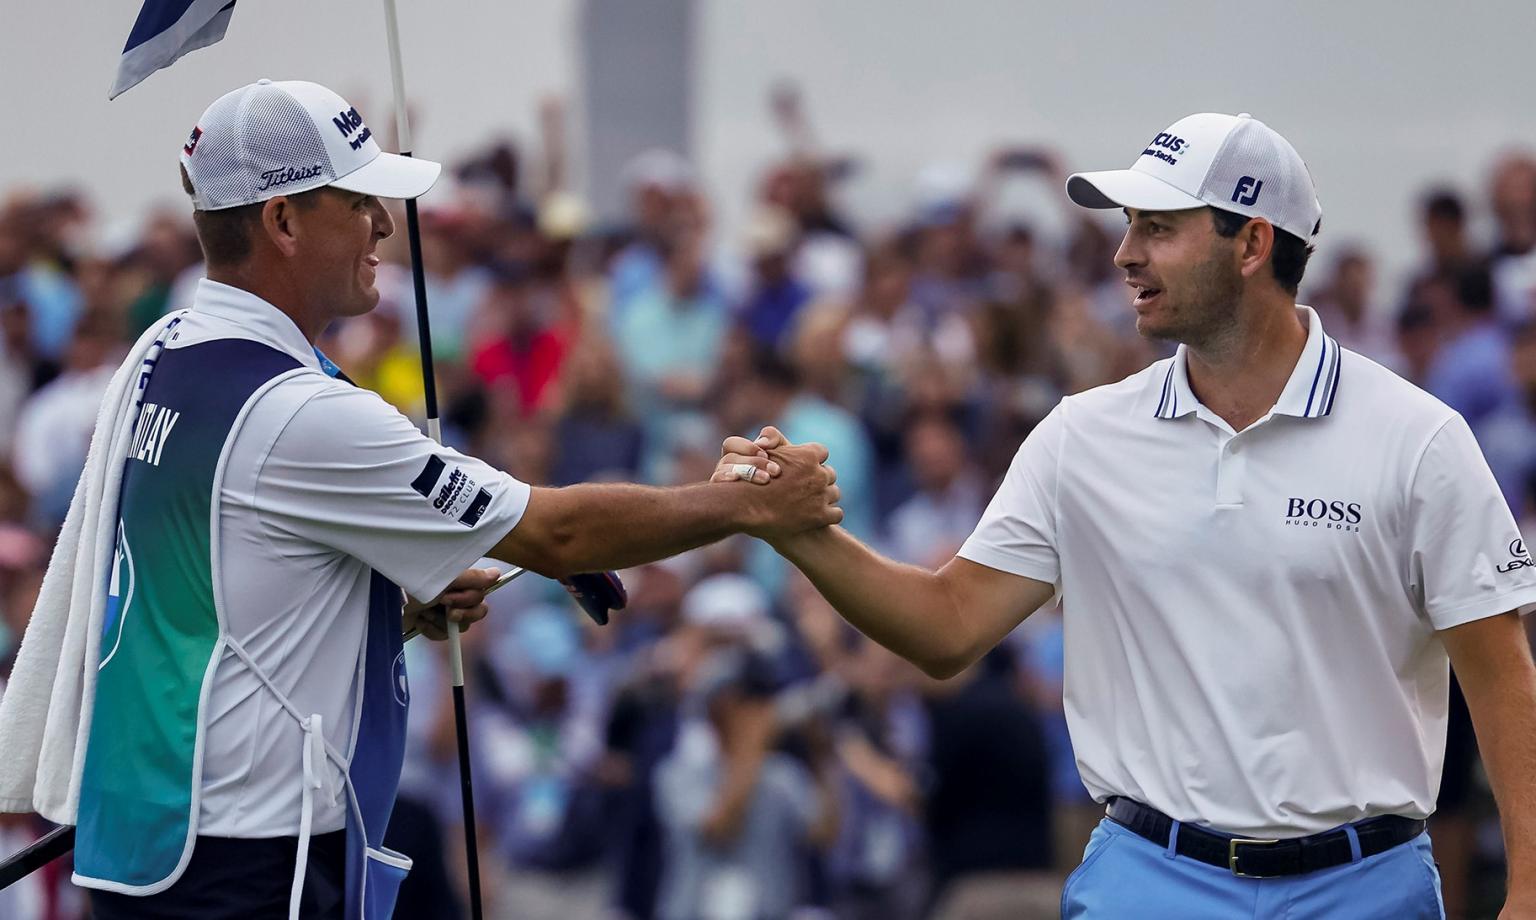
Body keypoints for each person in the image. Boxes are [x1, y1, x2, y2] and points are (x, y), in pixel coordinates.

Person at [0, 79, 841, 920]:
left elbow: (209, 601)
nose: (382, 223)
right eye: (358, 200)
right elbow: (559, 532)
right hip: (245, 873)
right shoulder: (297, 410)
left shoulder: (163, 349)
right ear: (283, 222)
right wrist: (743, 503)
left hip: (146, 852)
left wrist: (379, 613)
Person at [717, 113, 1536, 918]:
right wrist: (800, 533)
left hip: (1363, 887)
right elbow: (948, 624)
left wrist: (1531, 892)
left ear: (1252, 244)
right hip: (1148, 882)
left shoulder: (1419, 438)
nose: (1125, 253)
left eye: (1158, 227)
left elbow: (1501, 675)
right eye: (1129, 225)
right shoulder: (1082, 436)